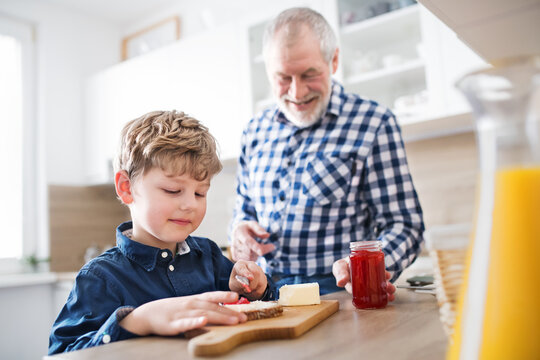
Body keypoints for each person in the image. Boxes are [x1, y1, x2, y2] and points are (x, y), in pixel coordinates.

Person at [229, 7, 424, 298]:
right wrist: (239, 233)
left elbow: (405, 225)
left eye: (309, 75)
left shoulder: (373, 123)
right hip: (264, 295)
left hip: (337, 294)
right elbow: (244, 210)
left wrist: (365, 265)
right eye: (283, 78)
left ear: (333, 60)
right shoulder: (253, 131)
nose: (296, 92)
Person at [49, 110, 273, 354]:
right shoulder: (101, 277)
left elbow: (259, 308)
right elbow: (62, 352)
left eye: (200, 193)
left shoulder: (208, 256)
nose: (190, 204)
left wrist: (258, 289)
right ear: (127, 188)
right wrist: (135, 320)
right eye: (172, 190)